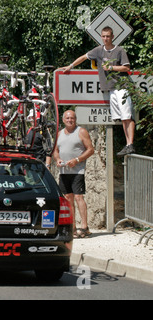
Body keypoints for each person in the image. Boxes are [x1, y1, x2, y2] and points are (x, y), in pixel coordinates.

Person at [60, 26, 135, 156]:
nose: (106, 39)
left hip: (122, 86)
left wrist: (111, 67)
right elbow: (84, 57)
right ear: (101, 37)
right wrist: (70, 66)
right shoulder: (98, 50)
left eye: (108, 36)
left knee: (127, 116)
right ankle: (128, 144)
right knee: (122, 118)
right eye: (103, 36)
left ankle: (131, 144)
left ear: (112, 37)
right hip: (110, 89)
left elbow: (126, 68)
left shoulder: (119, 50)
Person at [53, 110, 94, 238]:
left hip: (77, 171)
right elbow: (55, 150)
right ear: (63, 119)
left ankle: (84, 227)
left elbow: (90, 149)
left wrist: (77, 160)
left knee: (78, 197)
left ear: (75, 119)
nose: (70, 120)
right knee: (67, 198)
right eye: (68, 118)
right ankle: (72, 226)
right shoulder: (59, 134)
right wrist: (57, 159)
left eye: (72, 118)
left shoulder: (81, 132)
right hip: (64, 171)